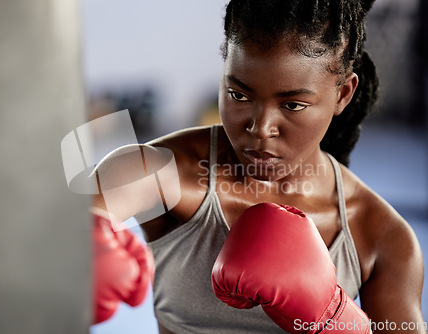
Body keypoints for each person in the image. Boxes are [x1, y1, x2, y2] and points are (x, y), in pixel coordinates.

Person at [92, 0, 426, 333]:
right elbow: (73, 220)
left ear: (343, 94)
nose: (261, 127)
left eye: (293, 104)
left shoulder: (381, 237)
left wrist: (333, 319)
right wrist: (81, 239)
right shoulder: (162, 173)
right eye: (239, 95)